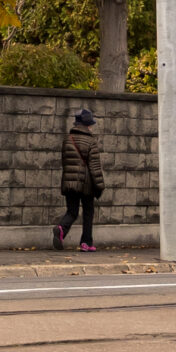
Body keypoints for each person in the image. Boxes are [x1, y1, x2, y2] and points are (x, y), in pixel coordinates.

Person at [55, 107, 103, 253]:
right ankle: (86, 243)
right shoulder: (91, 141)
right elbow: (94, 166)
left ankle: (61, 228)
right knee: (88, 212)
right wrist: (99, 186)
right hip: (86, 184)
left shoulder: (67, 139)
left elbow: (65, 162)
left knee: (72, 211)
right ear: (87, 125)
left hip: (69, 182)